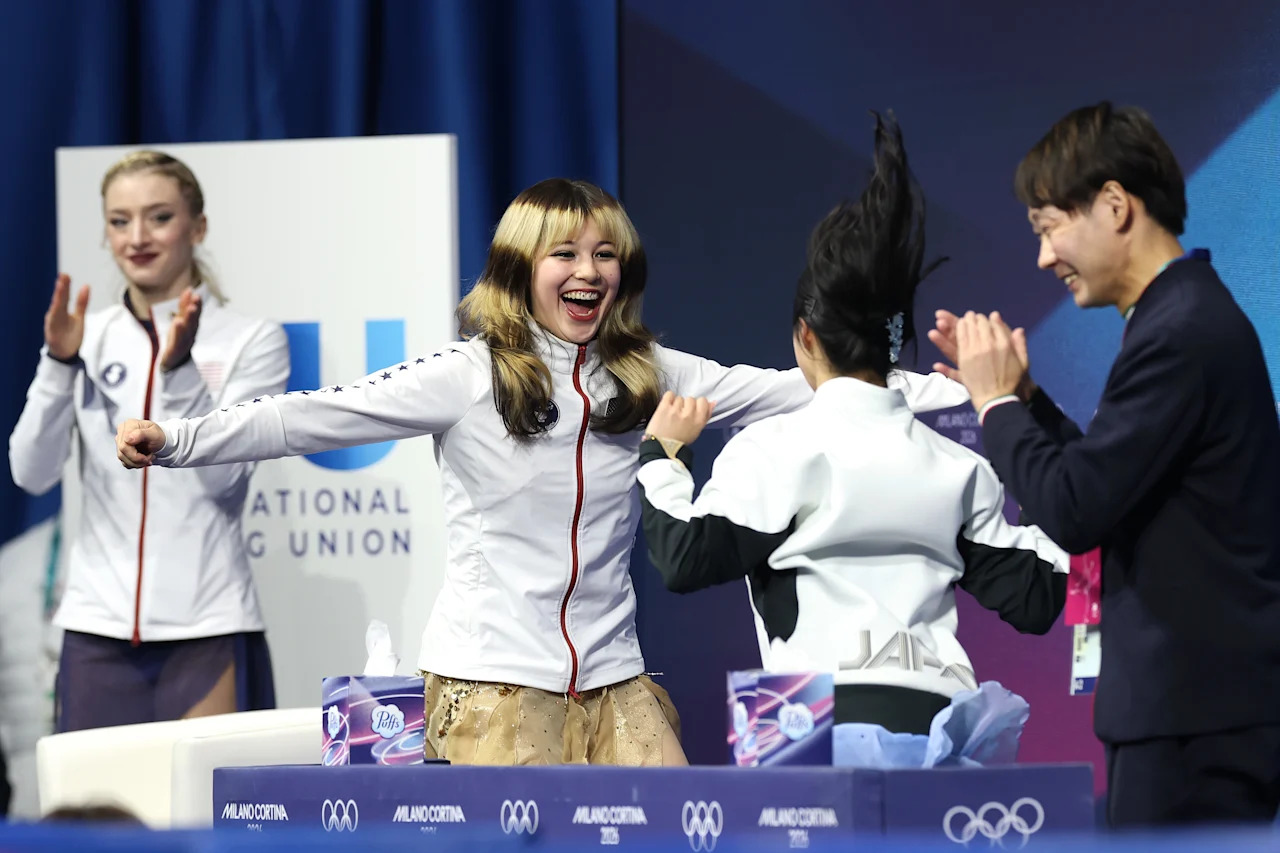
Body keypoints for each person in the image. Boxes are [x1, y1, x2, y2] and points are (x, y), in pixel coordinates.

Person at [114, 177, 968, 766]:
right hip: (493, 682)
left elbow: (807, 388)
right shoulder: (467, 373)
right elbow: (307, 413)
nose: (588, 270)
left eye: (605, 254)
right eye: (564, 253)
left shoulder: (650, 370)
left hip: (617, 679)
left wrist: (963, 388)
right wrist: (181, 439)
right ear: (522, 268)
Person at [635, 114, 1067, 736]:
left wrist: (664, 457)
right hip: (946, 720)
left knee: (798, 836)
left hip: (796, 717)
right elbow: (1041, 594)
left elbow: (684, 558)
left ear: (804, 336)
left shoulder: (773, 449)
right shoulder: (957, 466)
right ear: (894, 345)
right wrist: (1031, 419)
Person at [932, 102, 1280, 826]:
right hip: (1191, 715)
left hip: (1197, 721)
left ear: (1115, 205)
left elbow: (1074, 506)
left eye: (1048, 227)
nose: (1042, 257)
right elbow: (1108, 477)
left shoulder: (1180, 330)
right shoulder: (1178, 318)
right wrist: (1024, 399)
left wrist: (996, 406)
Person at [9, 150, 289, 732]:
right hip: (95, 630)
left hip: (207, 627)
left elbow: (222, 479)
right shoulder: (86, 334)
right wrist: (59, 362)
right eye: (119, 220)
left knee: (206, 819)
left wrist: (182, 373)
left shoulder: (250, 340)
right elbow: (30, 473)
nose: (137, 237)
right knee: (92, 821)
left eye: (159, 217)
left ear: (199, 227)